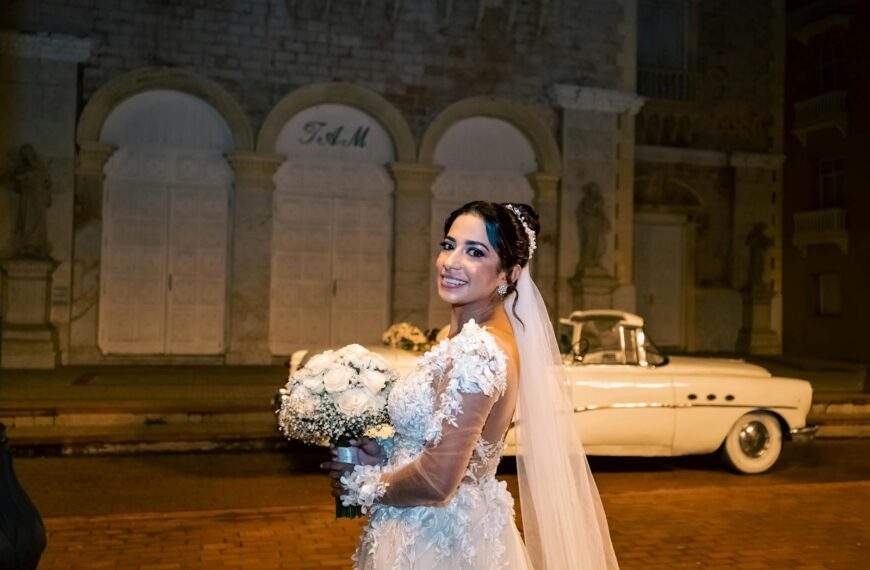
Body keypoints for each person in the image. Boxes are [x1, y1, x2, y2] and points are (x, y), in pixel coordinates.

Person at [322, 201, 619, 569]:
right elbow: (450, 444)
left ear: (508, 274)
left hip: (438, 542)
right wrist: (384, 452)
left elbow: (437, 481)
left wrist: (360, 484)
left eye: (475, 252)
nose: (451, 262)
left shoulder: (478, 351)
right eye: (448, 245)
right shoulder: (467, 340)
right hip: (425, 529)